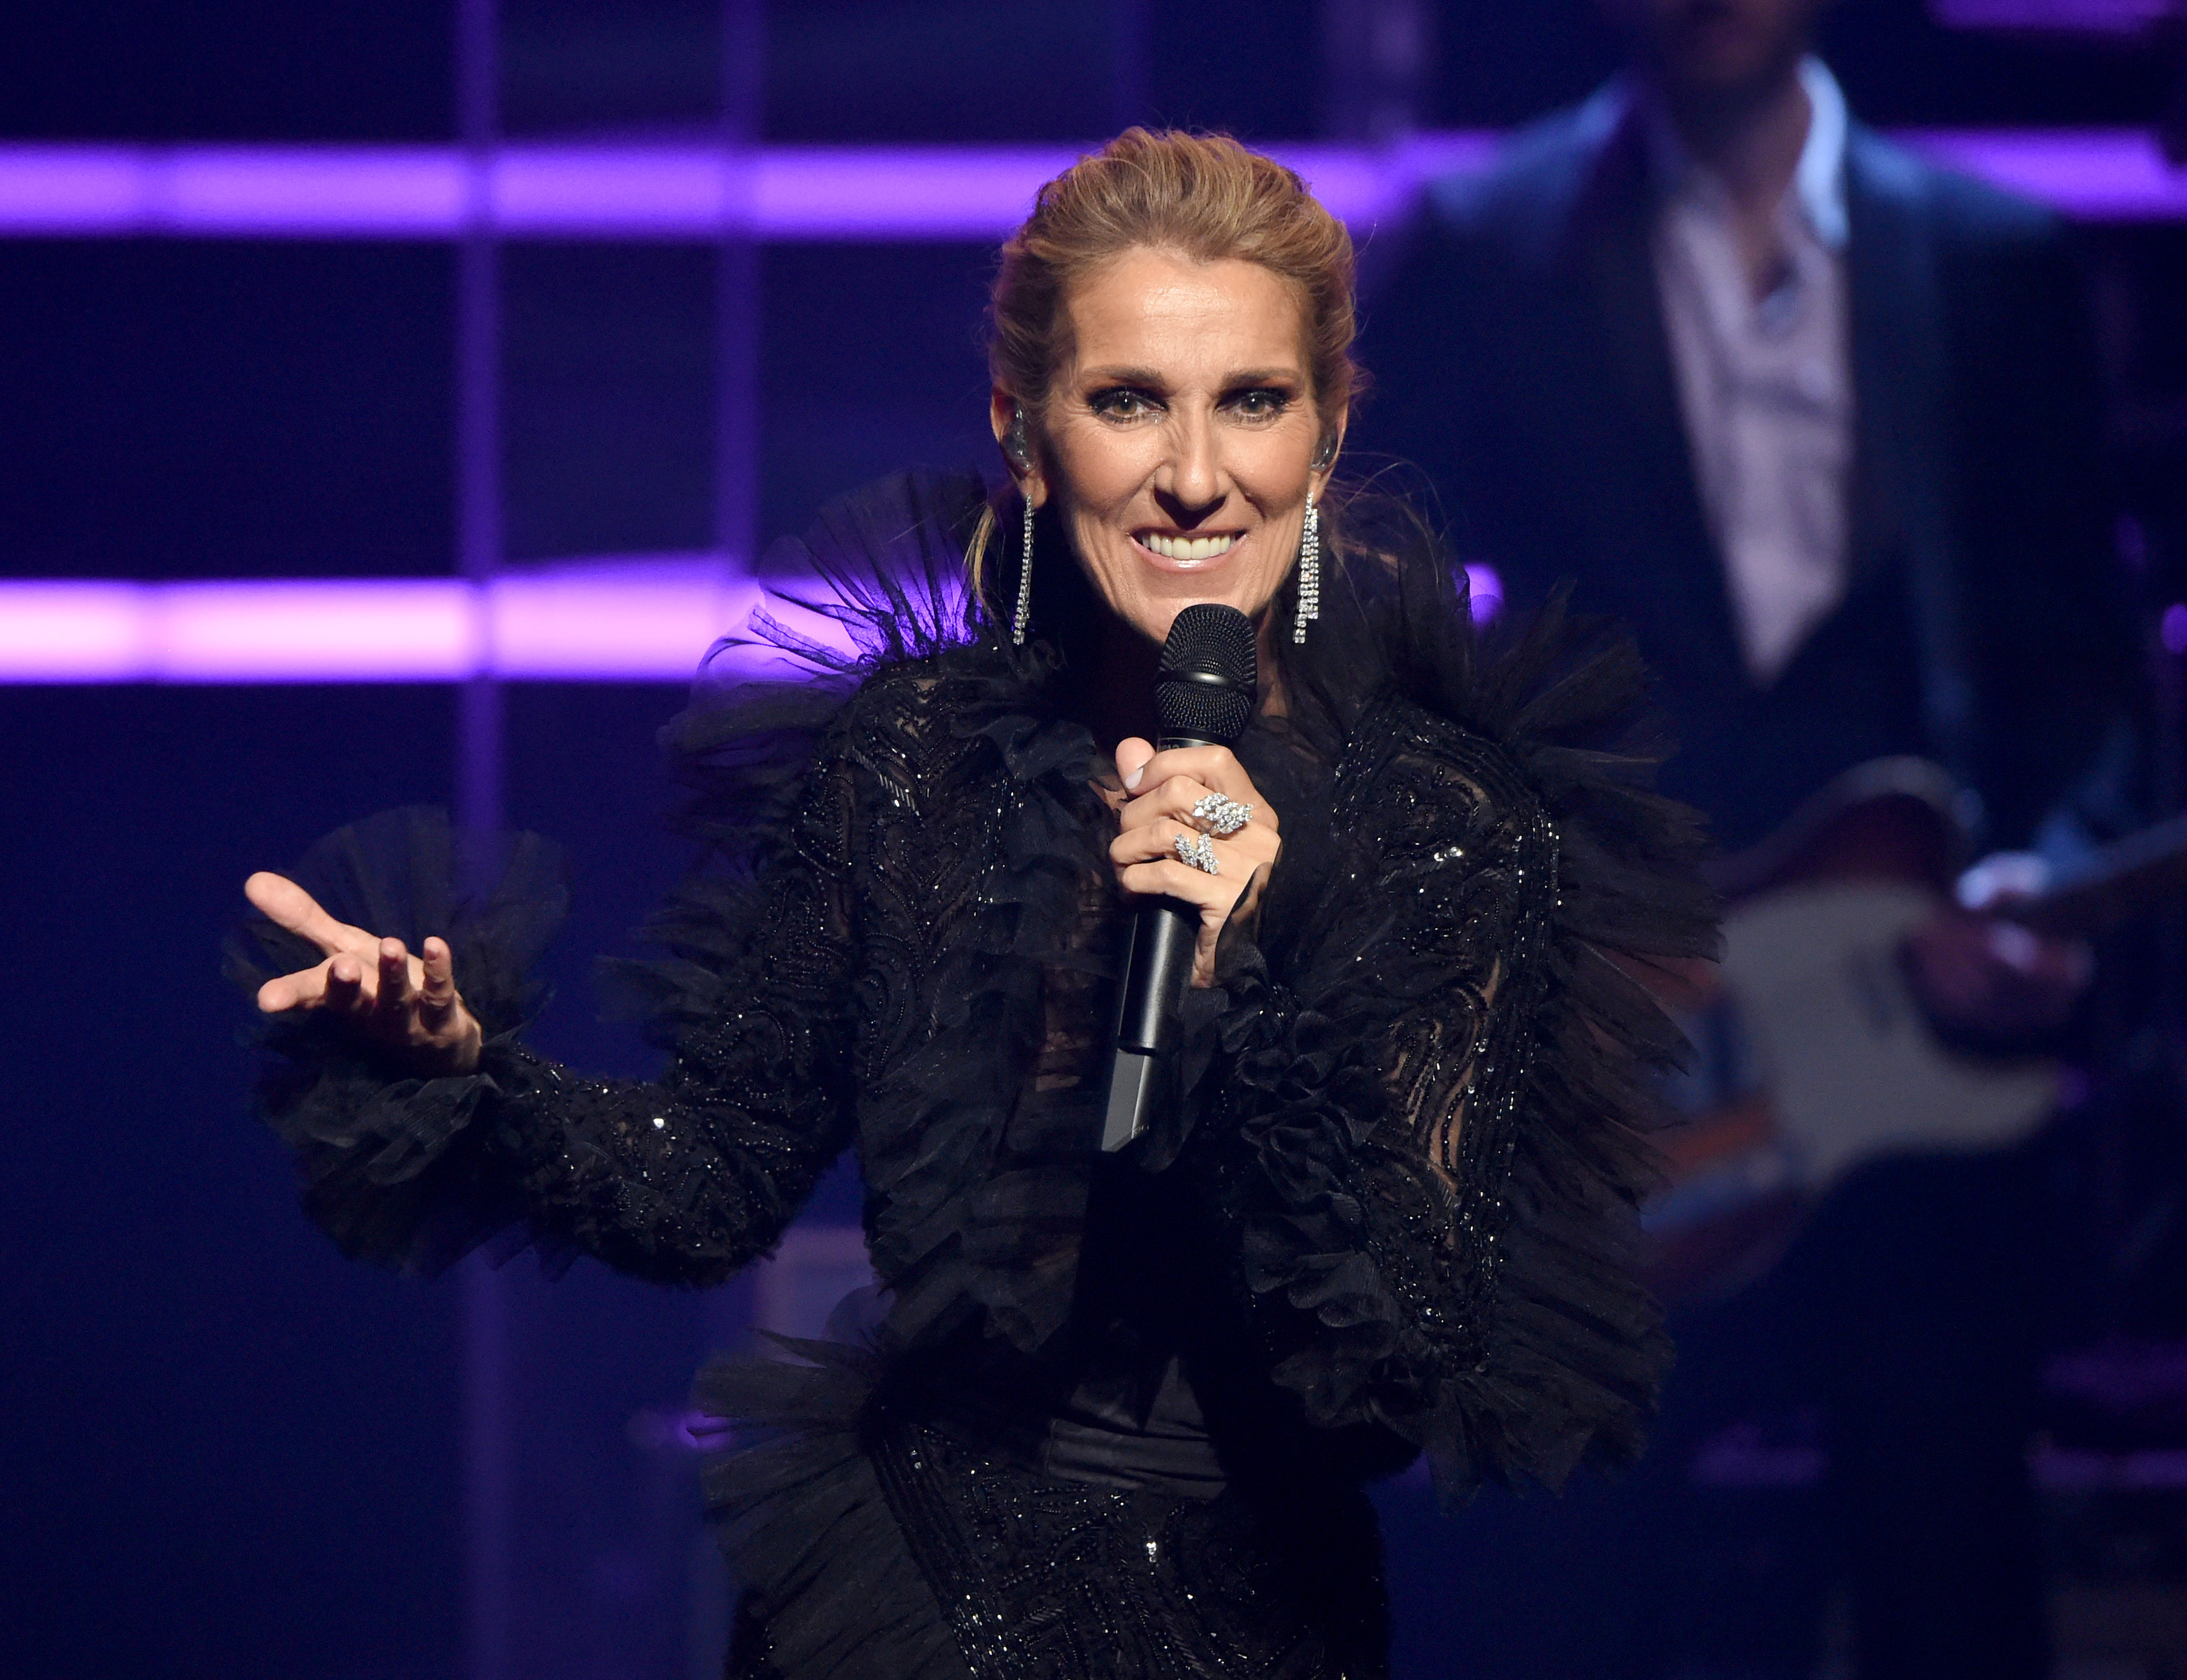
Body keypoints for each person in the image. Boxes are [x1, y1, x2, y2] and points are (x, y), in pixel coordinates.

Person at [235, 129, 1714, 1680]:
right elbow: (713, 1181)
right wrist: (465, 1064)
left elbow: (1391, 1364)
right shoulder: (911, 764)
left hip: (1241, 1627)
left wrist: (1257, 972)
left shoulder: (1440, 825)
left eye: (1251, 402)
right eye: (1129, 399)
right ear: (1024, 433)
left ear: (1327, 435)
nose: (1195, 475)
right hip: (899, 1600)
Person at [1358, 2, 2140, 1675]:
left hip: (1909, 1035)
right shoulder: (1483, 240)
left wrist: (2042, 894)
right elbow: (1356, 643)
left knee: (1947, 1566)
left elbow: (2086, 667)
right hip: (1611, 1047)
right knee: (1558, 1587)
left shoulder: (1989, 255)